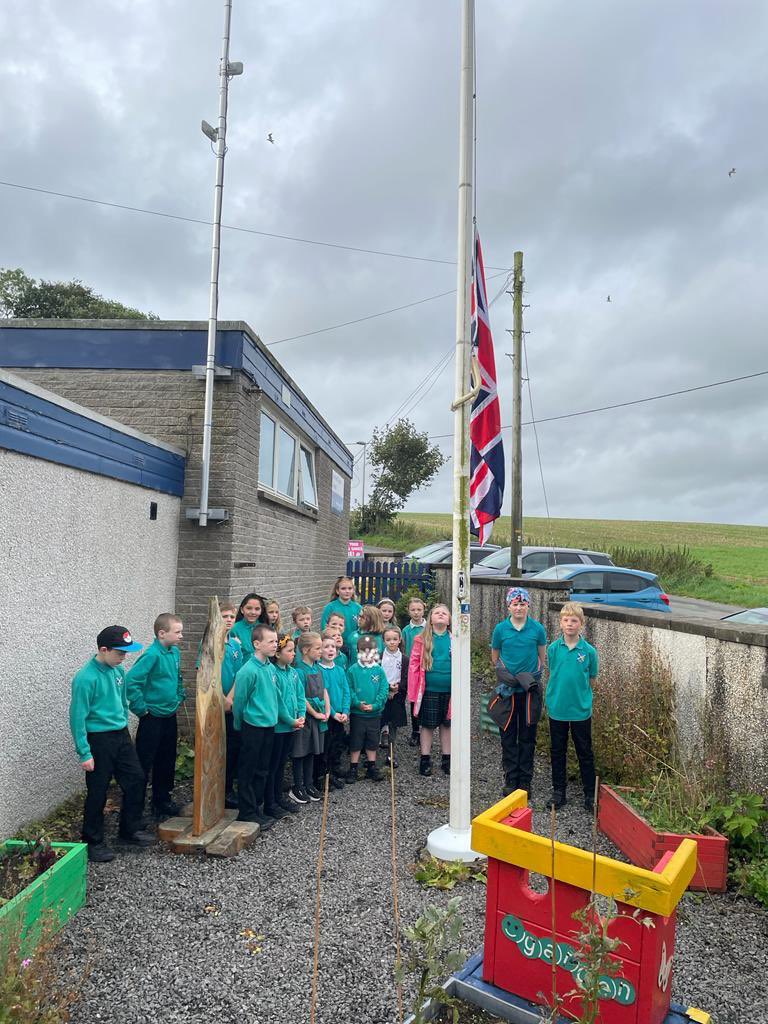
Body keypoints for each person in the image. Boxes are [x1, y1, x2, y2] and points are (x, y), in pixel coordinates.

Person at [69, 625, 156, 862]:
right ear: (103, 649)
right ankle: (93, 841)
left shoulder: (118, 672)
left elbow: (122, 702)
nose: (123, 657)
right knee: (98, 790)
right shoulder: (85, 678)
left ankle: (129, 829)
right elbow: (77, 718)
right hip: (99, 740)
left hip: (120, 735)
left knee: (137, 779)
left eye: (126, 652)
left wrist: (126, 724)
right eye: (119, 652)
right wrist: (84, 752)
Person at [126, 613, 186, 818]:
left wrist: (179, 695)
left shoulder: (174, 652)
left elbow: (178, 676)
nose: (181, 635)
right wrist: (141, 709)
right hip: (152, 717)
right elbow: (132, 682)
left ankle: (162, 801)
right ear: (162, 633)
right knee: (145, 761)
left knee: (167, 759)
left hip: (170, 714)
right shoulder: (151, 655)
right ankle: (135, 809)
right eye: (177, 632)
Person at [490, 586, 547, 798]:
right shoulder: (500, 629)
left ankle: (525, 781)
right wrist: (507, 676)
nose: (519, 607)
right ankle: (510, 778)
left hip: (529, 690)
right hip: (508, 691)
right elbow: (495, 657)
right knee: (508, 735)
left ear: (528, 606)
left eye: (523, 604)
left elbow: (542, 656)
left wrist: (530, 678)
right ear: (509, 606)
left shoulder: (537, 629)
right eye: (515, 604)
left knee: (527, 736)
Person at [545, 602, 599, 812]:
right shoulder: (553, 649)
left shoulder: (589, 652)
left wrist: (582, 699)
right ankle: (559, 792)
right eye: (566, 620)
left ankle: (589, 795)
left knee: (584, 751)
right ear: (560, 623)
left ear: (581, 624)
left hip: (580, 711)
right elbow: (554, 673)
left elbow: (591, 678)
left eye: (574, 620)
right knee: (557, 751)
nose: (569, 624)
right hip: (557, 708)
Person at [232, 623, 279, 830]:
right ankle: (247, 811)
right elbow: (239, 701)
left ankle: (256, 807)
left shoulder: (270, 667)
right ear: (256, 644)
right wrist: (238, 724)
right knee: (248, 770)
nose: (275, 645)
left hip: (269, 726)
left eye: (276, 641)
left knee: (262, 769)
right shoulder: (247, 671)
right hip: (252, 727)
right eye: (271, 642)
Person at [408, 604, 452, 777]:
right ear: (431, 618)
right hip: (429, 690)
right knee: (427, 725)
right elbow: (413, 664)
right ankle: (425, 758)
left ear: (449, 620)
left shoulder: (455, 639)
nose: (441, 615)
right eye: (437, 613)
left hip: (450, 690)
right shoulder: (421, 639)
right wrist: (413, 692)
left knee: (446, 724)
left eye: (444, 613)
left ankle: (447, 758)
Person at [265, 634, 305, 819]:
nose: (293, 654)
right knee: (273, 765)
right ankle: (270, 801)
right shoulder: (273, 673)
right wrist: (291, 720)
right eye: (289, 651)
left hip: (292, 726)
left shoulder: (294, 673)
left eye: (293, 651)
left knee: (282, 763)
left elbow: (300, 696)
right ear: (278, 654)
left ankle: (278, 797)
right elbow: (277, 702)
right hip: (279, 728)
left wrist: (301, 715)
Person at [289, 632, 329, 804]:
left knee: (312, 751)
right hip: (306, 717)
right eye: (318, 648)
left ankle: (309, 783)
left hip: (318, 716)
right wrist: (314, 713)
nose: (321, 651)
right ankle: (297, 786)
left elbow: (324, 691)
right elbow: (301, 697)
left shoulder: (317, 668)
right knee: (300, 752)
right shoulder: (299, 670)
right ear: (305, 650)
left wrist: (327, 710)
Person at [346, 635, 388, 783]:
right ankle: (353, 767)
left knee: (373, 740)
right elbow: (349, 689)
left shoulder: (379, 670)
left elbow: (384, 689)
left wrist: (375, 705)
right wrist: (357, 703)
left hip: (374, 714)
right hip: (358, 714)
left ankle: (371, 766)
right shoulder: (352, 670)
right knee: (356, 740)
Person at [319, 633, 350, 788]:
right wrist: (333, 713)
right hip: (327, 715)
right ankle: (324, 775)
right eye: (326, 647)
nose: (330, 650)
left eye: (332, 646)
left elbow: (346, 691)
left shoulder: (339, 670)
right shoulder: (318, 670)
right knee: (326, 746)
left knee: (337, 744)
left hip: (340, 715)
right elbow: (322, 695)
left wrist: (345, 711)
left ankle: (333, 770)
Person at [380, 625, 409, 768]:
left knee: (393, 726)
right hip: (381, 695)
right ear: (384, 641)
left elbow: (405, 677)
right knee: (379, 722)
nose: (391, 642)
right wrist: (387, 689)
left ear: (399, 640)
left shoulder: (404, 659)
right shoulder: (379, 657)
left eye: (394, 639)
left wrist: (397, 688)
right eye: (388, 639)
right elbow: (376, 676)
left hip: (397, 695)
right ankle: (371, 753)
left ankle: (391, 754)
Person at [402, 596, 427, 747]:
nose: (416, 613)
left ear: (424, 609)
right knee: (413, 700)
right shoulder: (406, 630)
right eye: (413, 610)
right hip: (412, 670)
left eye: (419, 609)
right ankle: (415, 731)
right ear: (408, 611)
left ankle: (426, 730)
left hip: (426, 667)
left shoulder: (428, 628)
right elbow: (404, 649)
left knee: (425, 699)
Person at [321, 577, 362, 657]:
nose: (347, 591)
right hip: (334, 645)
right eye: (343, 588)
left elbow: (361, 628)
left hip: (352, 646)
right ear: (337, 591)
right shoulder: (330, 607)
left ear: (353, 590)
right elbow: (324, 628)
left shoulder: (358, 608)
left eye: (350, 588)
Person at [230, 593, 269, 663]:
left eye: (257, 609)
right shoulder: (234, 629)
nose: (253, 612)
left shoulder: (265, 629)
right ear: (242, 610)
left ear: (261, 611)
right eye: (249, 608)